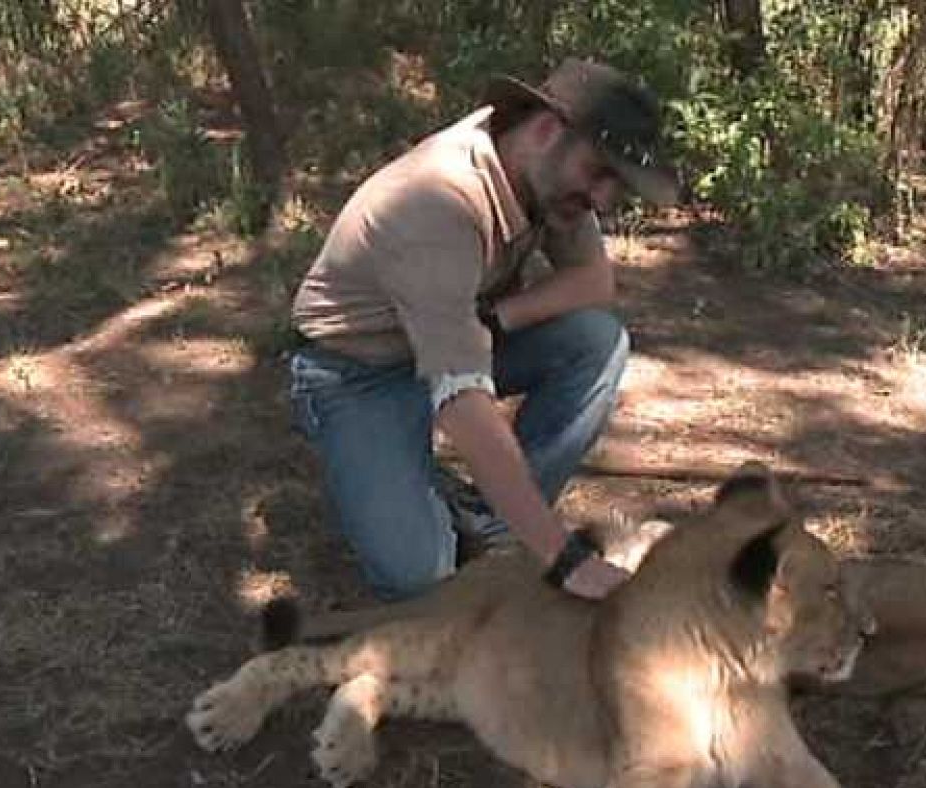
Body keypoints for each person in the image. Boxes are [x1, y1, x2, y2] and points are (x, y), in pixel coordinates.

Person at [288, 58, 679, 602]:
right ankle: (427, 495)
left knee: (596, 341)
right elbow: (462, 400)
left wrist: (496, 320)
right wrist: (562, 558)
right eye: (600, 172)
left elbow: (593, 282)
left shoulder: (544, 174)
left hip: (449, 346)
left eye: (617, 182)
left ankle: (486, 519)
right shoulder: (438, 200)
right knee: (419, 576)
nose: (605, 200)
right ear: (547, 130)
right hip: (358, 375)